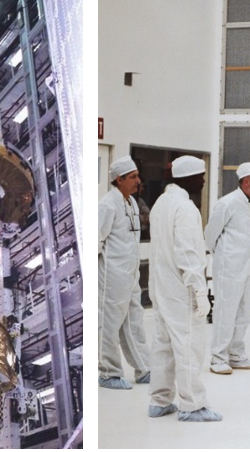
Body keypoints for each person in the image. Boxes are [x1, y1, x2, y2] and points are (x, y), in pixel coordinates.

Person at [147, 155, 220, 422]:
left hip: (161, 287)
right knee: (189, 344)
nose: (202, 181)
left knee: (163, 345)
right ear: (188, 178)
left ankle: (159, 400)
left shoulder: (160, 204)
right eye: (200, 176)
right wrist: (200, 292)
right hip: (181, 289)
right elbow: (188, 254)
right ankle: (192, 405)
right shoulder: (186, 208)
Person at [98, 157, 151, 390]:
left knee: (134, 322)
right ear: (119, 180)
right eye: (133, 177)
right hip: (111, 275)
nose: (138, 181)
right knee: (108, 323)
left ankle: (143, 368)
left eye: (137, 176)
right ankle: (109, 372)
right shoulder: (108, 204)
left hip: (130, 274)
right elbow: (95, 239)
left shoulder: (130, 203)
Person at [206, 162, 250, 374]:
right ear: (246, 182)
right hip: (229, 267)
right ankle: (218, 357)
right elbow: (210, 235)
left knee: (244, 312)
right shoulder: (227, 203)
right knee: (225, 312)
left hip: (249, 267)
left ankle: (236, 354)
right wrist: (223, 257)